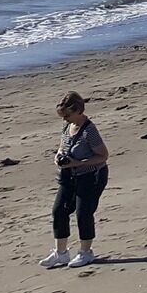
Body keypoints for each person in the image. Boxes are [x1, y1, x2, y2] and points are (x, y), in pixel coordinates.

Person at [44, 93, 108, 268]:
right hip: (69, 177)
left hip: (90, 177)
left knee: (83, 214)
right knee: (59, 211)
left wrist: (78, 163)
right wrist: (58, 157)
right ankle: (61, 253)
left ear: (78, 111)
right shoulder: (68, 126)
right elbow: (61, 146)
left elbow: (103, 156)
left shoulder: (89, 131)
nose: (64, 119)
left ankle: (86, 252)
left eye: (67, 115)